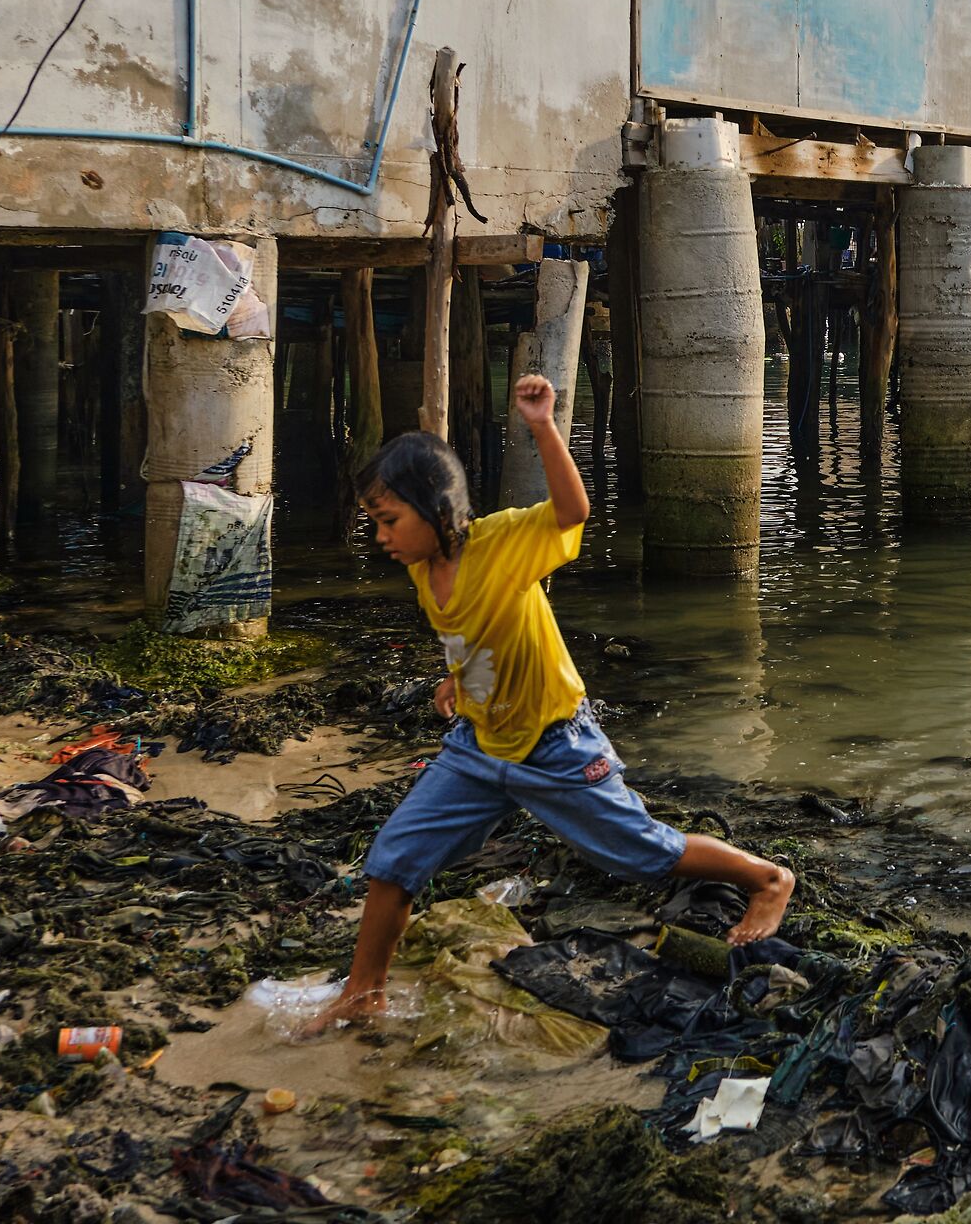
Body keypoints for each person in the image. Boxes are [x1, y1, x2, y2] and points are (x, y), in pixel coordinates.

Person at [306, 374, 794, 1034]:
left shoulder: (501, 542)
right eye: (376, 523)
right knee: (394, 860)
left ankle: (767, 879)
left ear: (437, 511)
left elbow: (572, 512)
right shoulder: (423, 568)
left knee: (641, 853)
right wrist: (457, 679)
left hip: (555, 744)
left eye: (389, 521)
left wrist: (542, 426)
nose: (381, 537)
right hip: (479, 747)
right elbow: (474, 633)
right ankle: (363, 994)